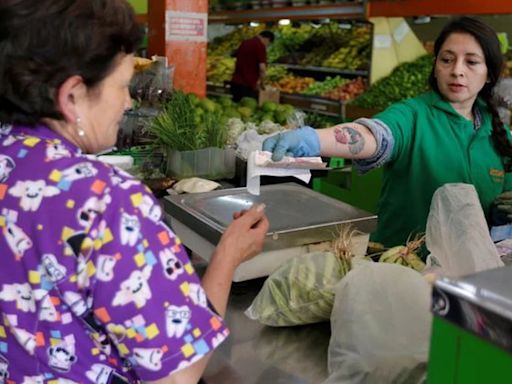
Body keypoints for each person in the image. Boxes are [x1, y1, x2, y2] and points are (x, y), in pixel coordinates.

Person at [0, 1, 269, 383]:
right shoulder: (105, 199)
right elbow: (178, 375)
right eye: (123, 86)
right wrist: (227, 256)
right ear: (72, 96)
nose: (128, 103)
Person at [263, 16, 512, 252]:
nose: (457, 70)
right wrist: (314, 139)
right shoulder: (412, 115)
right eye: (447, 59)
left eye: (471, 62)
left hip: (466, 274)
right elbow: (374, 136)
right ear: (435, 66)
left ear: (489, 73)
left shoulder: (499, 134)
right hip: (401, 265)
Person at [230, 30, 275, 102]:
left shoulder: (244, 43)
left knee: (236, 108)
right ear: (267, 39)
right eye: (268, 44)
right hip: (247, 85)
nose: (266, 46)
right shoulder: (260, 46)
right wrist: (262, 84)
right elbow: (262, 68)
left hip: (235, 83)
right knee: (247, 109)